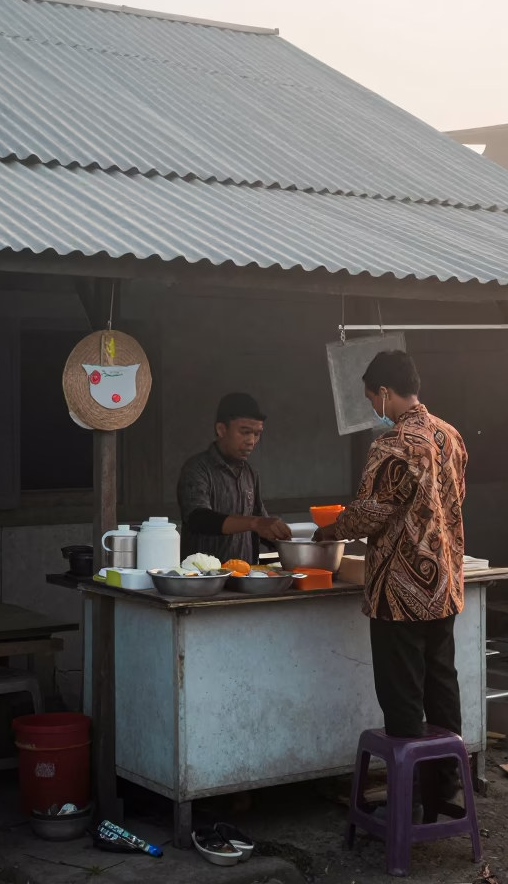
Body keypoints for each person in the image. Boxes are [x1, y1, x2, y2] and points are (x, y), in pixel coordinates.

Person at [317, 350, 467, 820]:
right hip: (443, 583)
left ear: (384, 392)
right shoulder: (450, 435)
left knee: (402, 696)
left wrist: (329, 530)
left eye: (371, 398)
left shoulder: (393, 444)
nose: (373, 407)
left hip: (399, 593)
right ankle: (444, 791)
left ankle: (409, 799)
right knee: (442, 686)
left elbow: (371, 513)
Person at [177, 392, 292, 564]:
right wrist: (255, 523)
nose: (251, 441)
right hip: (204, 581)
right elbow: (198, 518)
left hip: (245, 580)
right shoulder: (197, 468)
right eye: (245, 432)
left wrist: (287, 539)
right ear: (221, 430)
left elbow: (261, 523)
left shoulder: (250, 473)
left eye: (257, 434)